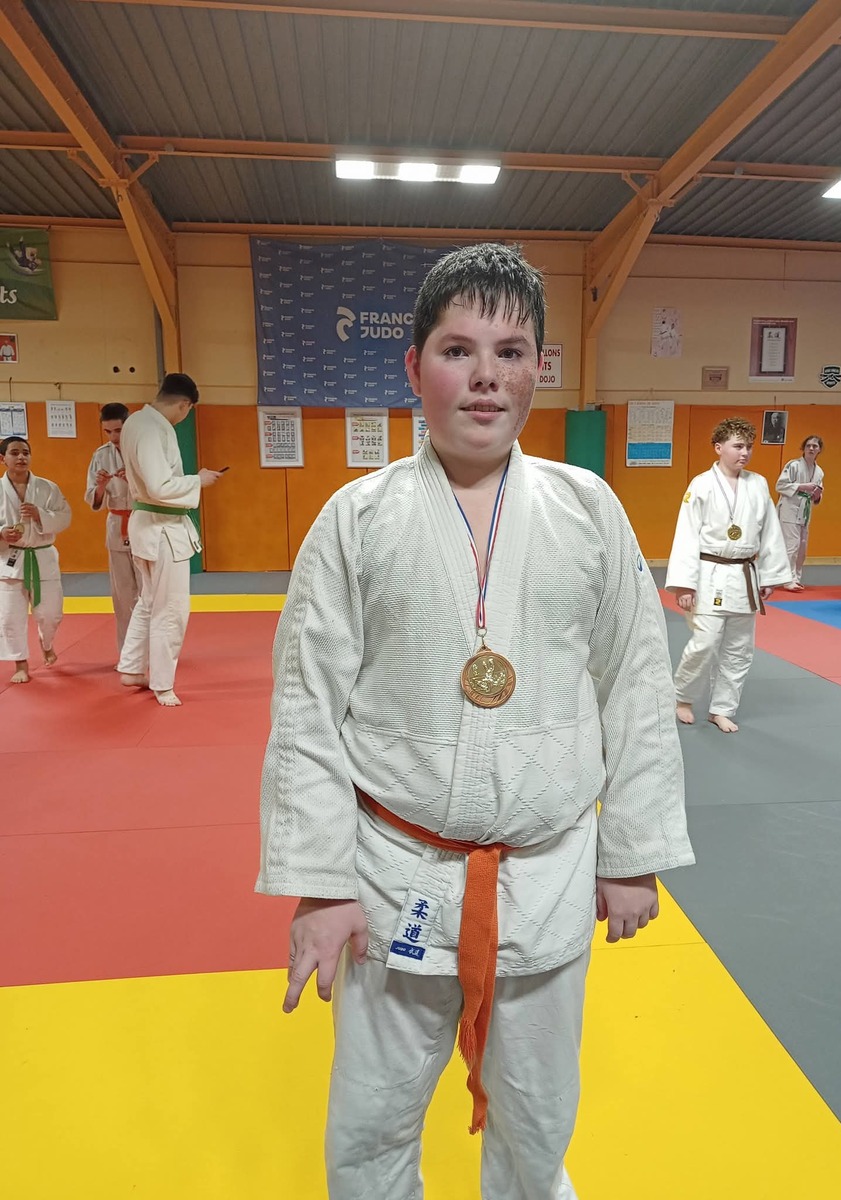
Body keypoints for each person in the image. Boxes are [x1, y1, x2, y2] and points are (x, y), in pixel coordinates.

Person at [257, 243, 694, 1200]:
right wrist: (320, 885)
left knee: (536, 1125)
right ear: (414, 367)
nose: (486, 376)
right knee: (369, 1127)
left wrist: (633, 850)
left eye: (511, 351)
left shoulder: (588, 509)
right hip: (395, 873)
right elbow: (306, 706)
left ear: (541, 369)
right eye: (458, 350)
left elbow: (634, 680)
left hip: (545, 873)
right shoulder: (356, 518)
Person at [666, 417, 791, 734]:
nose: (744, 452)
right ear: (718, 448)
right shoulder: (701, 485)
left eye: (748, 447)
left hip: (744, 574)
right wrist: (684, 585)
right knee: (704, 643)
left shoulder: (758, 484)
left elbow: (770, 532)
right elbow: (686, 535)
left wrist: (769, 576)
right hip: (709, 573)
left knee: (739, 649)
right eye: (738, 446)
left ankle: (721, 709)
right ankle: (682, 697)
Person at [116, 373, 221, 706]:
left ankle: (132, 667)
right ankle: (162, 683)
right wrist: (197, 481)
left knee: (149, 600)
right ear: (184, 404)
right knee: (170, 607)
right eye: (187, 411)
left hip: (150, 526)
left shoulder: (137, 422)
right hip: (161, 529)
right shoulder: (151, 427)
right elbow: (159, 486)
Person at [0, 436, 71, 683]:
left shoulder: (48, 488)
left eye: (25, 452)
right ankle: (20, 663)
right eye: (15, 452)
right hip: (10, 559)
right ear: (3, 458)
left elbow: (65, 517)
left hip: (43, 557)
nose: (21, 457)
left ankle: (46, 642)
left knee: (51, 614)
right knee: (10, 617)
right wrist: (2, 534)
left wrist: (40, 514)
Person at [85, 402, 140, 652]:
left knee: (148, 594)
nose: (113, 437)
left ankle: (152, 652)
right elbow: (93, 499)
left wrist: (134, 480)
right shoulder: (101, 455)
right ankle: (127, 653)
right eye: (108, 432)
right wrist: (100, 486)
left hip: (142, 521)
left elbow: (160, 488)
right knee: (122, 595)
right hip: (117, 524)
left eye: (118, 430)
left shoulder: (143, 449)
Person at [775, 435, 824, 591]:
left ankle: (796, 577)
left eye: (815, 446)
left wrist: (817, 494)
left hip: (805, 509)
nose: (811, 448)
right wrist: (803, 486)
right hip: (790, 507)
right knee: (792, 545)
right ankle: (787, 579)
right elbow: (780, 486)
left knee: (802, 546)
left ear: (819, 450)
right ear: (803, 448)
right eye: (808, 445)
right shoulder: (794, 465)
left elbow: (816, 495)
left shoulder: (819, 471)